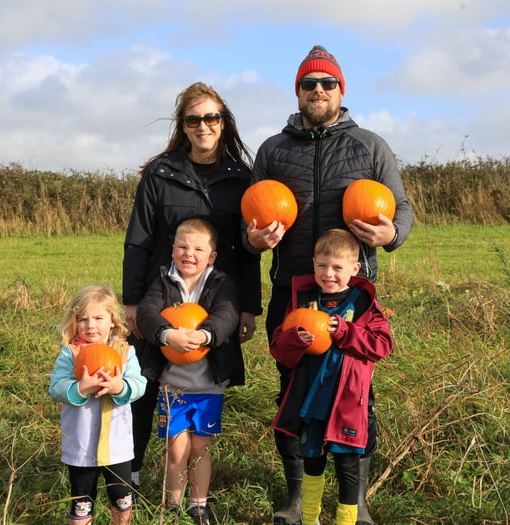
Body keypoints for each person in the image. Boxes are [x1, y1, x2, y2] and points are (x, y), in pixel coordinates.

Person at [246, 45, 413, 525]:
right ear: (297, 91)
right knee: (293, 392)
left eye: (327, 83)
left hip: (352, 294)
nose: (317, 91)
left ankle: (355, 501)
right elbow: (249, 219)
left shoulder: (369, 146)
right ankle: (298, 496)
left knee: (356, 393)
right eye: (308, 84)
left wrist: (391, 234)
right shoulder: (273, 150)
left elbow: (400, 210)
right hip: (293, 291)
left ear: (342, 90)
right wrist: (253, 238)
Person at [122, 82, 262, 494]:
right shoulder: (160, 175)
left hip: (219, 297)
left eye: (211, 117)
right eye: (194, 119)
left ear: (223, 122)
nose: (203, 125)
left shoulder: (242, 178)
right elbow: (138, 240)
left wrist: (249, 307)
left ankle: (193, 484)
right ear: (183, 126)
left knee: (205, 378)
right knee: (145, 385)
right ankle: (129, 476)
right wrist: (132, 301)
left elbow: (246, 249)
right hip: (161, 294)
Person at [270, 229, 393, 525]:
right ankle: (309, 518)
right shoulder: (303, 300)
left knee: (348, 465)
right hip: (312, 401)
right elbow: (279, 348)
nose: (329, 274)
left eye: (337, 268)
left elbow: (382, 345)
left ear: (354, 269)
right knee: (312, 461)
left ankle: (346, 521)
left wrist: (346, 332)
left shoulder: (362, 303)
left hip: (347, 403)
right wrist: (296, 339)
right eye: (322, 266)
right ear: (313, 264)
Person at [135, 217, 244, 525]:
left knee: (199, 445)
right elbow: (146, 312)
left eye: (198, 248)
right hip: (173, 384)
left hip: (208, 383)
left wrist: (206, 335)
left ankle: (198, 505)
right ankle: (172, 505)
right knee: (176, 446)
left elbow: (228, 313)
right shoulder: (163, 281)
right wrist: (166, 335)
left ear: (211, 257)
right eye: (182, 246)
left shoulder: (221, 283)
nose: (189, 253)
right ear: (172, 250)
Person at [49, 285, 147, 525]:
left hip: (117, 445)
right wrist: (80, 388)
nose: (90, 325)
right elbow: (56, 387)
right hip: (80, 443)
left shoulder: (125, 352)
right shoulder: (70, 354)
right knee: (82, 499)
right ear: (74, 322)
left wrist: (120, 387)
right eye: (83, 319)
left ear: (113, 321)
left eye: (98, 318)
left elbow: (139, 383)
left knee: (121, 496)